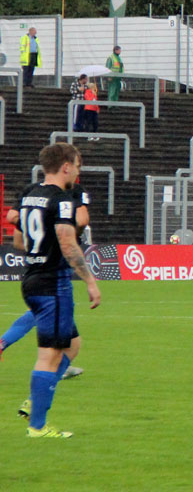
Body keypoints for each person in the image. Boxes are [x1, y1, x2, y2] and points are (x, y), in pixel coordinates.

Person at [9, 143, 101, 438]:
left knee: (72, 345)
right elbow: (67, 240)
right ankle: (37, 425)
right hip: (53, 283)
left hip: (32, 278)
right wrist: (89, 280)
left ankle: (35, 403)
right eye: (76, 165)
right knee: (49, 355)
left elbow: (19, 243)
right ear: (65, 166)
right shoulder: (61, 199)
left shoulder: (30, 195)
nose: (77, 171)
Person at [2, 179, 91, 381]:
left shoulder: (32, 191)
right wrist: (60, 228)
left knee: (51, 321)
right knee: (50, 315)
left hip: (35, 266)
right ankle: (50, 373)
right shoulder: (71, 192)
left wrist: (40, 238)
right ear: (67, 167)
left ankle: (57, 366)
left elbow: (14, 225)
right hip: (56, 267)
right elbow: (83, 220)